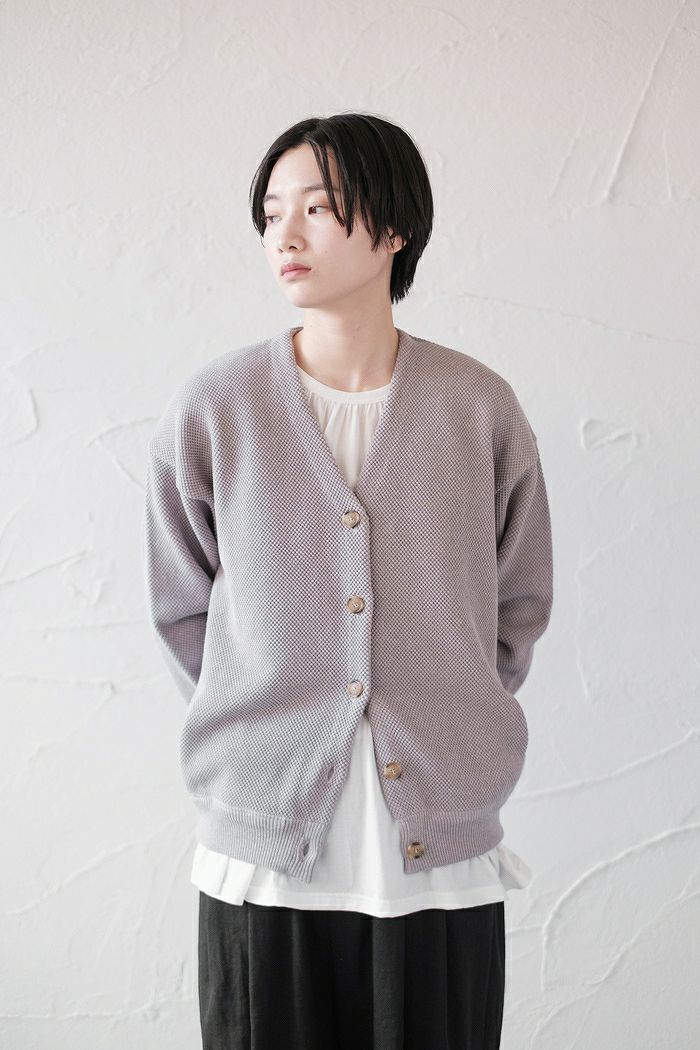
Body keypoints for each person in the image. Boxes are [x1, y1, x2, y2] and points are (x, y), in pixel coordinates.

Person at [143, 112, 554, 1049]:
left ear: (396, 228)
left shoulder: (478, 408)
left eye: (319, 210)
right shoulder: (217, 408)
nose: (284, 235)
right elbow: (181, 608)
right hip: (263, 857)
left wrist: (449, 714)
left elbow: (517, 604)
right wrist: (256, 718)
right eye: (271, 213)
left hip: (437, 861)